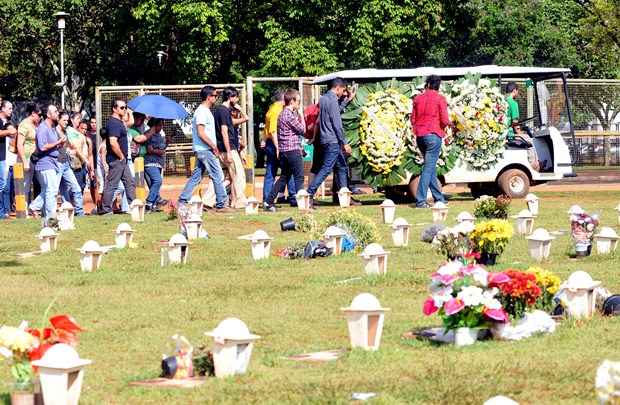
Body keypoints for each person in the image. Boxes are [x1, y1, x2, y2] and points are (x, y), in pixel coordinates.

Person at [177, 86, 232, 213]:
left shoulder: (206, 111)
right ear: (209, 97)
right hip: (205, 149)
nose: (216, 97)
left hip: (203, 149)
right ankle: (221, 204)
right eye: (215, 95)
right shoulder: (202, 111)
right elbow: (201, 133)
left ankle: (182, 200)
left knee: (196, 177)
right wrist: (213, 146)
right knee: (218, 175)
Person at [306, 78, 351, 209]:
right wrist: (344, 143)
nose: (342, 93)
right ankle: (309, 194)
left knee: (342, 167)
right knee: (326, 169)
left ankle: (344, 196)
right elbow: (337, 124)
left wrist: (347, 100)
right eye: (342, 90)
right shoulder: (332, 100)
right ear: (337, 88)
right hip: (333, 141)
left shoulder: (324, 99)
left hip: (325, 139)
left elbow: (325, 117)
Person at [31, 111, 85, 217]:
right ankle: (36, 207)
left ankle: (79, 212)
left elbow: (69, 146)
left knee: (75, 188)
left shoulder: (65, 132)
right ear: (58, 120)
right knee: (52, 189)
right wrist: (59, 144)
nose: (66, 122)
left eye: (67, 120)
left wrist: (71, 150)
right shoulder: (53, 131)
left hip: (66, 164)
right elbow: (45, 146)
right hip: (56, 164)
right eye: (64, 120)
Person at [263, 89, 306, 212]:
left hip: (284, 151)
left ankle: (268, 201)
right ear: (292, 101)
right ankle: (302, 204)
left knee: (284, 177)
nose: (299, 104)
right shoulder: (288, 115)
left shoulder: (282, 114)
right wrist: (301, 115)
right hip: (292, 150)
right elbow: (302, 130)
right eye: (298, 101)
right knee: (299, 177)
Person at [410, 74, 449, 208]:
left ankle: (439, 198)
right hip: (433, 134)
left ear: (427, 85)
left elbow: (413, 119)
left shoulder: (418, 98)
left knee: (430, 167)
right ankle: (420, 200)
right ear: (438, 86)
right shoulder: (440, 99)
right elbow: (444, 119)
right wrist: (448, 126)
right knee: (428, 168)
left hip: (420, 136)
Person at [100, 99, 136, 215]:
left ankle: (134, 207)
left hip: (121, 160)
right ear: (114, 109)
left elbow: (130, 123)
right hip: (117, 160)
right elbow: (113, 142)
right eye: (122, 108)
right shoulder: (114, 123)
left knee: (130, 182)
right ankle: (105, 209)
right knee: (112, 184)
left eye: (125, 107)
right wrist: (121, 157)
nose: (124, 109)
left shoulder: (120, 122)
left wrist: (129, 112)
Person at [213, 87, 247, 209]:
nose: (237, 99)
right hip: (228, 149)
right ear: (230, 97)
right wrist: (228, 151)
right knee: (239, 175)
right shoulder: (223, 111)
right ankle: (240, 200)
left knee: (229, 177)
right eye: (236, 97)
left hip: (223, 148)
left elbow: (241, 120)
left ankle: (231, 202)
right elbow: (224, 131)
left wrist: (241, 110)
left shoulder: (219, 110)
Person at [262, 90, 295, 206]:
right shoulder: (277, 111)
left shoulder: (271, 109)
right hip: (277, 143)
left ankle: (267, 197)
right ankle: (293, 197)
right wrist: (278, 147)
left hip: (270, 143)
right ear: (282, 99)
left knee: (271, 172)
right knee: (288, 170)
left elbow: (266, 130)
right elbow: (273, 130)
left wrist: (264, 140)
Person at [31, 105, 63, 226]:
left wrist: (59, 144)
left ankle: (35, 207)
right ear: (48, 114)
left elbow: (52, 145)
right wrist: (58, 142)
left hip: (53, 162)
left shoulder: (53, 128)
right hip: (44, 163)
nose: (57, 113)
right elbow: (42, 146)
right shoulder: (42, 128)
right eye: (55, 112)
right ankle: (51, 218)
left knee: (48, 190)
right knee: (51, 190)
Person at [16, 103, 42, 204]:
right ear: (33, 113)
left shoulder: (35, 125)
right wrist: (24, 161)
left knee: (38, 184)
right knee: (25, 186)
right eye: (39, 115)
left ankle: (33, 208)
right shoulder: (24, 124)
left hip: (35, 159)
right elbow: (19, 144)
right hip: (26, 159)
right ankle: (23, 211)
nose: (40, 117)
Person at [143, 118, 166, 212]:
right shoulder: (148, 134)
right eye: (160, 125)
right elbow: (149, 150)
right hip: (150, 162)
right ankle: (149, 203)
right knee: (157, 181)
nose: (161, 127)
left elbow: (162, 150)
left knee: (153, 184)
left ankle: (154, 205)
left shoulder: (160, 136)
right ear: (154, 125)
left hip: (159, 163)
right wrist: (158, 151)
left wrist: (157, 150)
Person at [0, 100, 17, 218]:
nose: (11, 110)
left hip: (4, 157)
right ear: (2, 109)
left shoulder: (6, 122)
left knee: (3, 184)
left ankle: (2, 212)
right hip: (1, 158)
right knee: (2, 184)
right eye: (9, 108)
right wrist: (8, 131)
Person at [66, 112, 90, 194]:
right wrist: (85, 160)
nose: (79, 120)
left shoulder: (78, 132)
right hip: (75, 165)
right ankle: (75, 206)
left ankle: (77, 205)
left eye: (80, 118)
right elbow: (76, 147)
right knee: (76, 188)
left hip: (81, 164)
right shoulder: (70, 131)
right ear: (72, 120)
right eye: (77, 118)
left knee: (81, 186)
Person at [86, 115, 98, 209]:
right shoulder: (87, 135)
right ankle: (95, 203)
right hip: (91, 162)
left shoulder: (100, 134)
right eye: (92, 122)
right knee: (92, 183)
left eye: (95, 122)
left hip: (99, 161)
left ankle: (100, 202)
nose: (93, 124)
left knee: (100, 183)